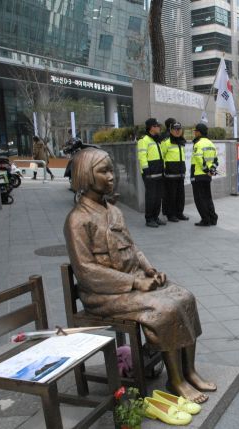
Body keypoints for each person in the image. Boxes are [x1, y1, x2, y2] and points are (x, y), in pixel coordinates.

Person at [64, 148, 216, 403]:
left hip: (132, 282)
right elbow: (87, 271)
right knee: (165, 309)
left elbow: (132, 248)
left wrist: (149, 270)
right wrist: (135, 282)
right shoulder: (77, 220)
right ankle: (175, 380)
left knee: (185, 298)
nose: (111, 176)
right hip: (102, 294)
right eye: (103, 171)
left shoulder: (114, 211)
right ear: (85, 175)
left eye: (111, 170)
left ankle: (189, 371)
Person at [138, 118, 167, 228]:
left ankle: (155, 217)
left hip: (159, 172)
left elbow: (161, 156)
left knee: (158, 197)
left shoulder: (157, 140)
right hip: (150, 173)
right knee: (151, 197)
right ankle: (149, 219)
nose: (159, 128)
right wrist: (146, 171)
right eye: (157, 126)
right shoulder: (144, 140)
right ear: (151, 127)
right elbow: (142, 156)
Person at [190, 123, 218, 227]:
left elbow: (198, 158)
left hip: (198, 174)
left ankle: (205, 220)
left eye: (195, 131)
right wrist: (211, 170)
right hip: (208, 175)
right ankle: (213, 218)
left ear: (199, 132)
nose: (194, 133)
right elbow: (216, 160)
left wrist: (206, 170)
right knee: (207, 197)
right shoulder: (211, 144)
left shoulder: (198, 144)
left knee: (199, 199)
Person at [162, 121, 189, 222]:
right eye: (175, 129)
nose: (177, 131)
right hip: (170, 174)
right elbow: (162, 157)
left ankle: (179, 213)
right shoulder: (166, 142)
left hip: (180, 173)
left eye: (179, 129)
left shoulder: (182, 141)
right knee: (171, 196)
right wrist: (165, 169)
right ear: (171, 130)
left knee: (180, 195)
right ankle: (171, 214)